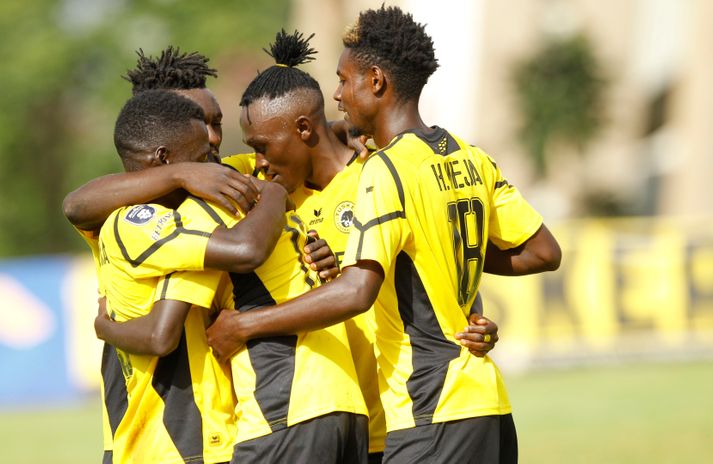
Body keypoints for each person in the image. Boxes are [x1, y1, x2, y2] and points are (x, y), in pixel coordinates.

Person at [206, 6, 562, 463]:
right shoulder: (470, 155)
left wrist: (244, 325)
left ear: (375, 82)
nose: (338, 95)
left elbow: (357, 292)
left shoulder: (381, 170)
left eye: (344, 80)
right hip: (475, 403)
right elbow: (541, 251)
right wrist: (452, 263)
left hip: (423, 408)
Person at [62, 48, 262, 463]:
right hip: (152, 426)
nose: (211, 138)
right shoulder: (123, 213)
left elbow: (289, 155)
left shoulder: (226, 177)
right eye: (195, 122)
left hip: (221, 428)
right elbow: (76, 205)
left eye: (215, 122)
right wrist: (180, 173)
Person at [97, 88, 292, 463]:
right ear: (166, 160)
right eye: (202, 158)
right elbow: (160, 335)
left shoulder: (170, 219)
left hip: (178, 440)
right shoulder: (140, 223)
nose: (213, 163)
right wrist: (274, 194)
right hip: (179, 441)